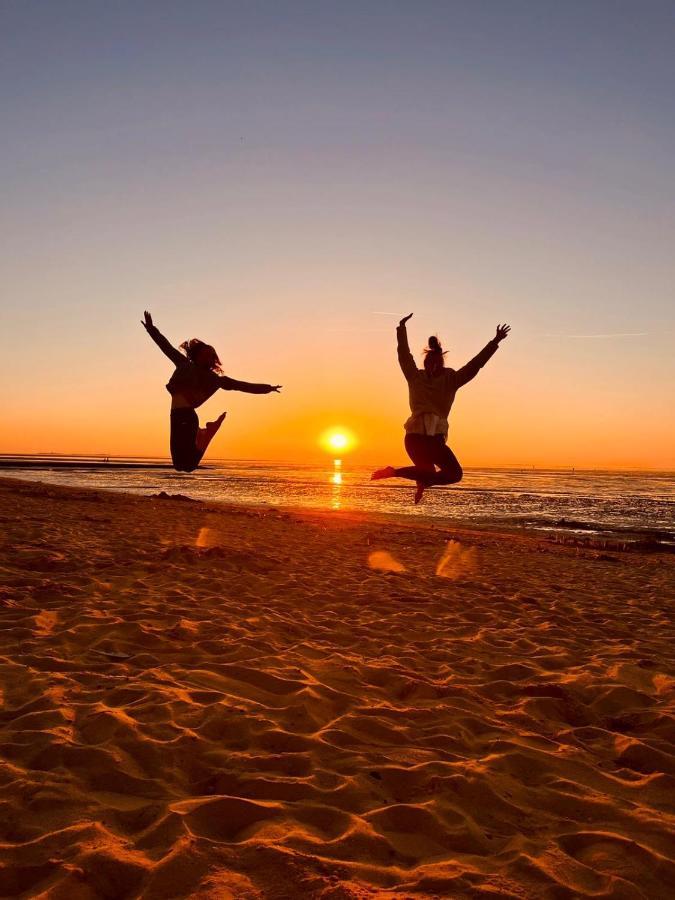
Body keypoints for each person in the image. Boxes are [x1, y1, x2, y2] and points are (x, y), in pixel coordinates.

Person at [372, 313, 510, 503]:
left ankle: (420, 480)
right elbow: (404, 356)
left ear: (439, 363)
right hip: (422, 439)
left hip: (424, 440)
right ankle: (398, 473)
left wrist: (494, 342)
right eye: (429, 363)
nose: (431, 367)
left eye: (434, 364)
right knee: (440, 472)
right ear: (426, 363)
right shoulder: (420, 377)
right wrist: (401, 329)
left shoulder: (445, 379)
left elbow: (474, 365)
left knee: (445, 474)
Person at [142, 311, 281, 472]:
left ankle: (206, 434)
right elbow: (165, 347)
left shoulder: (216, 379)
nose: (207, 356)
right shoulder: (184, 364)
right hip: (177, 415)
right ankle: (206, 434)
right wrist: (151, 329)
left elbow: (243, 386)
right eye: (205, 353)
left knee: (186, 466)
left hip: (186, 417)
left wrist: (267, 388)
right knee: (179, 465)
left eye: (210, 355)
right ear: (197, 355)